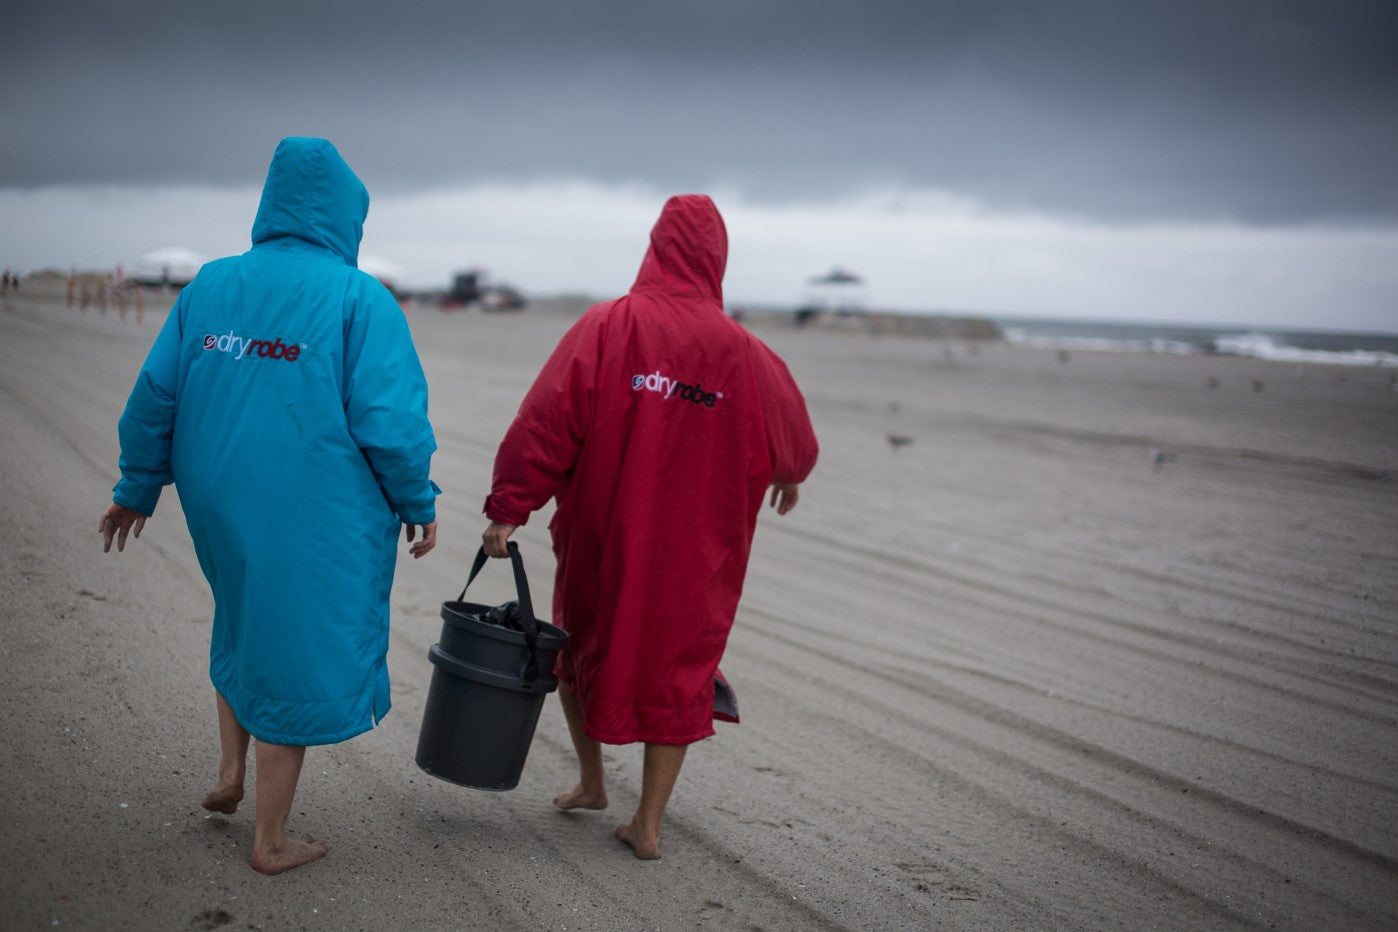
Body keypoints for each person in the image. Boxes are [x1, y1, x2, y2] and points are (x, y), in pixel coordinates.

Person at [98, 137, 440, 875]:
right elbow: (392, 424)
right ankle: (270, 838)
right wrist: (418, 500)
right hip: (309, 508)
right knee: (292, 649)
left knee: (244, 621)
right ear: (350, 216)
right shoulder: (360, 299)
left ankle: (229, 772)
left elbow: (155, 396)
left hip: (218, 499)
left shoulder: (211, 286)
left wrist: (137, 487)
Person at [481, 194, 818, 860]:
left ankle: (591, 780)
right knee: (679, 674)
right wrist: (791, 473)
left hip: (603, 537)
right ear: (717, 258)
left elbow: (546, 424)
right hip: (701, 552)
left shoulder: (608, 326)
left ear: (656, 246)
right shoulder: (747, 353)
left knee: (576, 649)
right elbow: (796, 442)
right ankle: (648, 822)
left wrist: (510, 506)